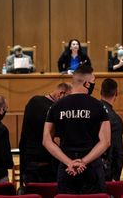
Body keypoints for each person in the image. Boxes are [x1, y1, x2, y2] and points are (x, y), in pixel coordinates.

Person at [43, 65, 110, 194]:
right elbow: (106, 141)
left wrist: (69, 162)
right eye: (93, 82)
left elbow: (46, 140)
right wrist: (83, 162)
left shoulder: (55, 106)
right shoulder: (99, 106)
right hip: (92, 167)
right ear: (87, 84)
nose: (94, 85)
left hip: (67, 167)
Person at [19, 82, 72, 183]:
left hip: (28, 161)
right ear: (61, 94)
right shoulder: (55, 110)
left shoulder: (33, 101)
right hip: (47, 166)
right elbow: (57, 140)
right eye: (69, 99)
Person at [100, 78, 123, 181]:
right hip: (105, 171)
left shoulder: (90, 109)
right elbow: (117, 152)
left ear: (101, 92)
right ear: (116, 93)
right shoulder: (115, 119)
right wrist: (116, 177)